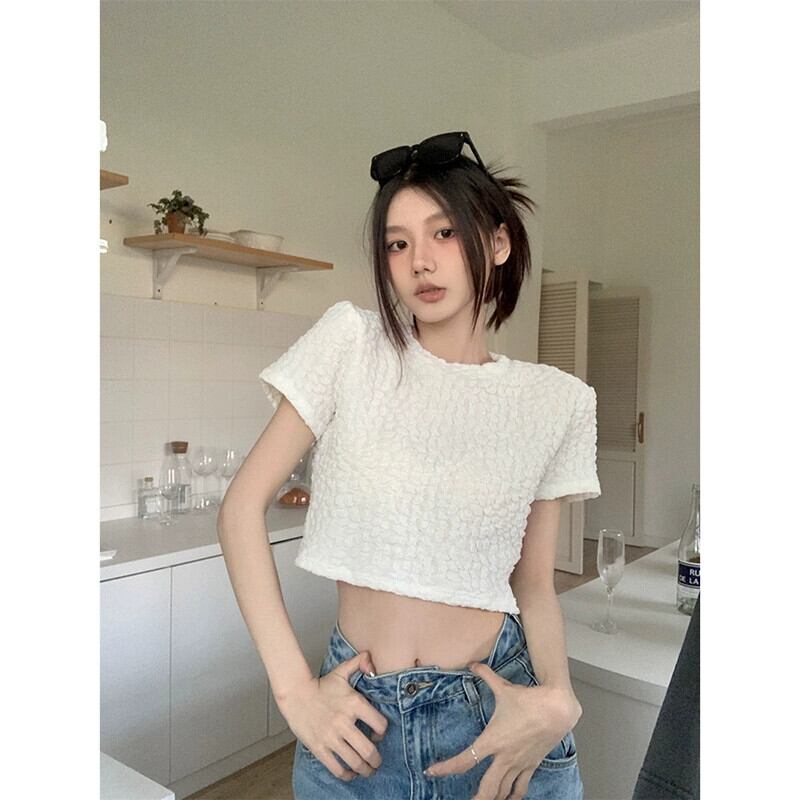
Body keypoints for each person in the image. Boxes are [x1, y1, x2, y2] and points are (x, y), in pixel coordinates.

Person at [217, 131, 602, 800]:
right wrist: (295, 693)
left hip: (495, 708)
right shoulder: (351, 344)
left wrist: (558, 697)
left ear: (499, 243)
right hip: (358, 722)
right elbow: (240, 509)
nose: (420, 261)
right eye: (397, 244)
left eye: (444, 233)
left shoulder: (557, 401)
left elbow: (533, 583)